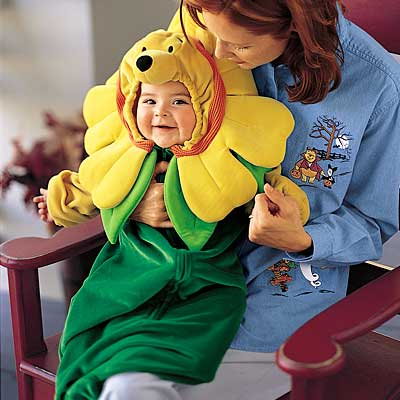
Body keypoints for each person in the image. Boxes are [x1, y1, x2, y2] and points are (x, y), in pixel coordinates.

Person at [96, 1, 399, 399]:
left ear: (296, 26)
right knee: (116, 383)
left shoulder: (378, 85)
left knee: (130, 390)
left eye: (239, 46)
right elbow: (128, 141)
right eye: (210, 30)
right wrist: (138, 201)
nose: (218, 53)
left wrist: (303, 240)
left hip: (272, 311)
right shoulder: (195, 34)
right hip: (170, 280)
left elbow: (374, 221)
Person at [34, 28, 309, 399]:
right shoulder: (129, 159)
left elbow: (266, 187)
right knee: (93, 352)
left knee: (152, 352)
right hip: (127, 277)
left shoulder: (229, 162)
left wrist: (285, 210)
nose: (160, 112)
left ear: (207, 107)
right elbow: (91, 188)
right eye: (148, 100)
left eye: (179, 101)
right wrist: (59, 201)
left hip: (201, 283)